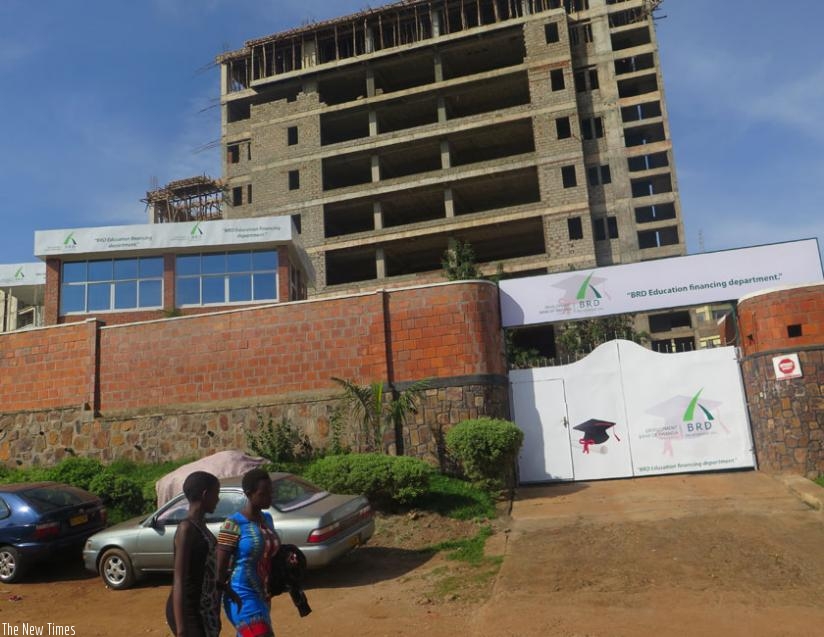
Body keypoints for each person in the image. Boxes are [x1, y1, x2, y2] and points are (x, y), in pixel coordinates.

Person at [217, 468, 280, 637]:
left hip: (263, 595)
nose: (269, 497)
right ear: (249, 494)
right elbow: (219, 567)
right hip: (240, 596)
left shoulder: (267, 519)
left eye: (270, 492)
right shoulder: (233, 524)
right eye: (263, 493)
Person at [165, 471, 223, 637]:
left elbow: (203, 568)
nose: (218, 500)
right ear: (205, 495)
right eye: (216, 494)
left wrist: (223, 587)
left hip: (204, 608)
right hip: (188, 611)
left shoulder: (200, 525)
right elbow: (179, 580)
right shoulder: (186, 529)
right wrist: (182, 629)